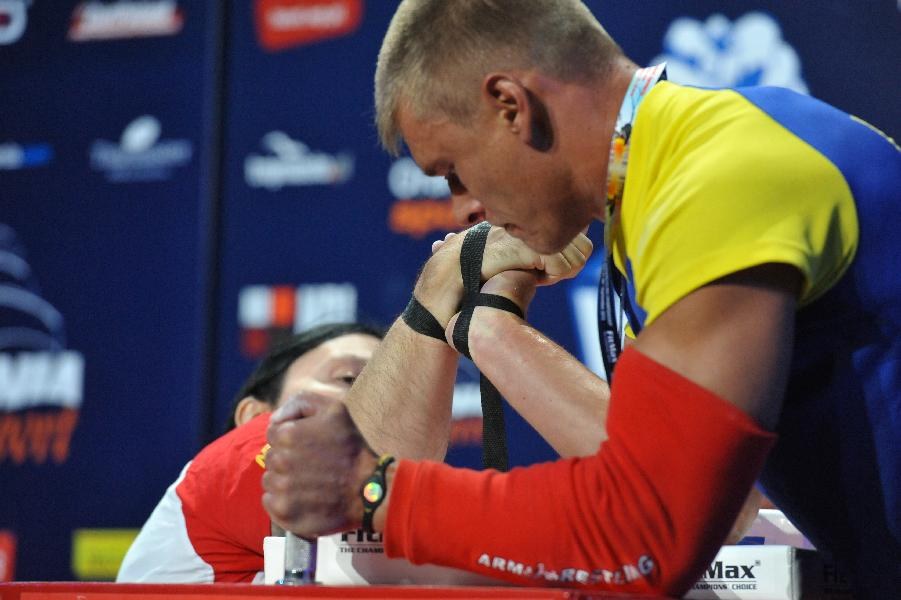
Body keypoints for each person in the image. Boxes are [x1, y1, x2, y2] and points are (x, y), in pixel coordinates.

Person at [261, 1, 901, 598]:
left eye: (453, 170)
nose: (460, 210)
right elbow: (693, 504)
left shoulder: (719, 179)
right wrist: (488, 327)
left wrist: (373, 489)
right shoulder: (684, 170)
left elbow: (647, 533)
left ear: (511, 106)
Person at [116, 322, 383, 583]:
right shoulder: (237, 457)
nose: (382, 400)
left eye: (397, 392)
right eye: (349, 378)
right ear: (254, 415)